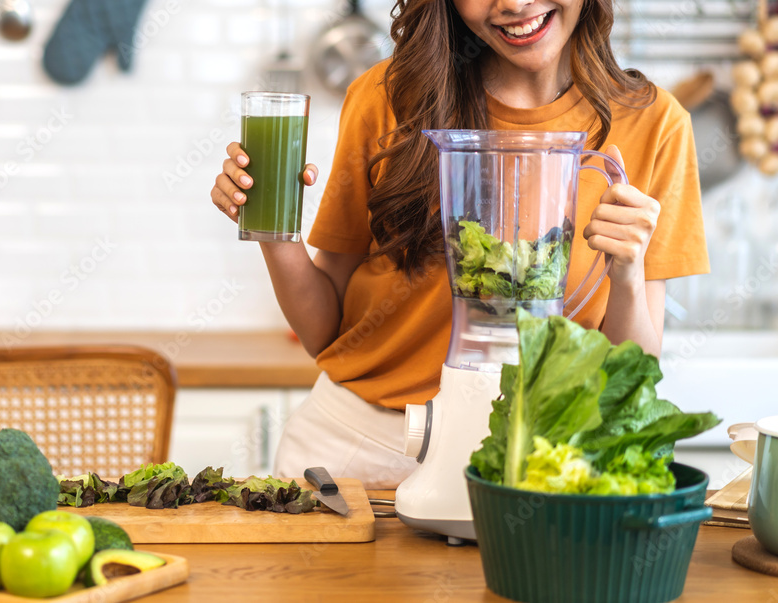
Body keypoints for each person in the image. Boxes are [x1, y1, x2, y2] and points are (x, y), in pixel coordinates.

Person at [210, 0, 709, 488]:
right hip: (358, 455)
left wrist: (627, 273)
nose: (514, 4)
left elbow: (632, 369)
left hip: (530, 465)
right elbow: (323, 334)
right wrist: (272, 232)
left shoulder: (656, 124)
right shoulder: (387, 98)